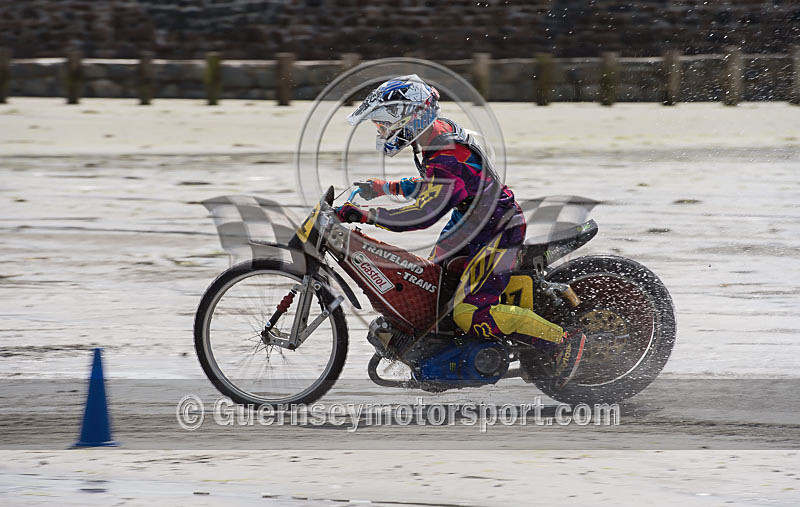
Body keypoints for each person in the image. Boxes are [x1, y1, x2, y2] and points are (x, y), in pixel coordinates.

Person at [336, 75, 585, 388]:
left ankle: (564, 340)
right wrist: (383, 187)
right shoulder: (435, 136)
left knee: (469, 313)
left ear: (410, 118)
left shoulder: (447, 154)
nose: (382, 132)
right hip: (470, 224)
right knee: (432, 288)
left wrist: (367, 215)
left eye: (383, 124)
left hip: (497, 232)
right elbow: (433, 187)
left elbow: (423, 214)